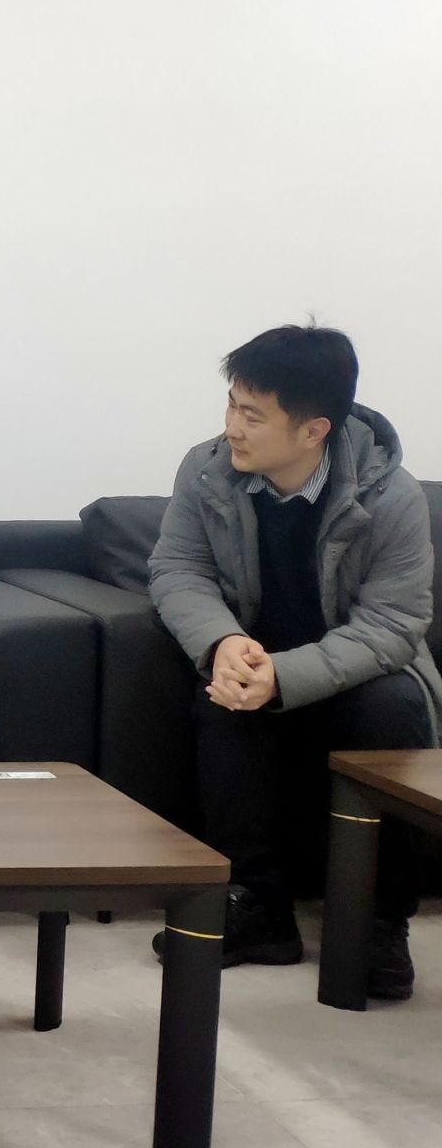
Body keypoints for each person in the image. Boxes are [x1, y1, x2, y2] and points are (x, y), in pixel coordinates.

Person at [148, 323, 440, 999]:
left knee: (393, 706)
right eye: (231, 405)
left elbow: (394, 624)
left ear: (314, 430)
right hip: (255, 660)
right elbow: (177, 569)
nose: (233, 428)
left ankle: (379, 922)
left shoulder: (391, 496)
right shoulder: (206, 471)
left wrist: (285, 675)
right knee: (221, 697)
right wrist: (222, 643)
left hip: (358, 674)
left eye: (253, 415)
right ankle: (257, 906)